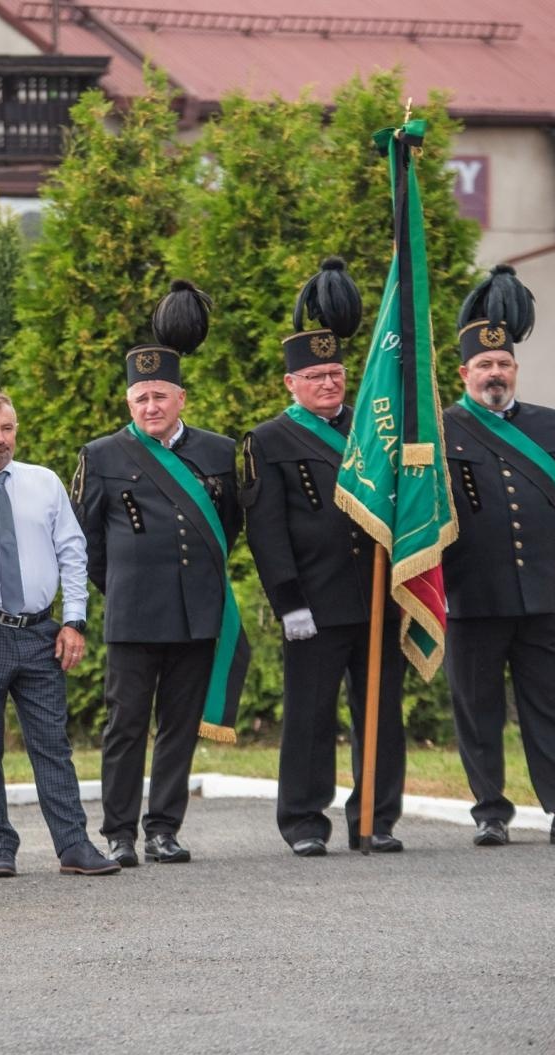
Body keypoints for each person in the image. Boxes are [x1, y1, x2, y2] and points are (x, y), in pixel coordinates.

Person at [442, 265, 555, 847]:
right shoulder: (440, 432)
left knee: (548, 706)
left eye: (504, 365)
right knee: (479, 709)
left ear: (515, 369)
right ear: (464, 372)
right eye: (484, 366)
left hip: (543, 593)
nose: (495, 373)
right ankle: (490, 811)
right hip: (471, 594)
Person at [74, 281, 245, 867]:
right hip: (133, 615)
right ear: (129, 402)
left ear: (182, 398)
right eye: (141, 396)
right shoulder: (101, 457)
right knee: (125, 728)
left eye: (161, 396)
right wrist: (118, 587)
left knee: (178, 727)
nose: (151, 406)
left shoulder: (220, 453)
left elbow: (228, 526)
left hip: (198, 613)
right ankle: (119, 832)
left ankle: (163, 829)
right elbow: (87, 540)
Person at [241, 257, 405, 857]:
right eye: (316, 377)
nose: (330, 384)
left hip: (378, 597)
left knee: (381, 715)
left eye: (336, 374)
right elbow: (267, 531)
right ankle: (305, 822)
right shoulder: (269, 440)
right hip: (314, 601)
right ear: (292, 383)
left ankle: (376, 819)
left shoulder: (373, 431)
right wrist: (289, 602)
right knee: (310, 718)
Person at [0, 391, 119, 878]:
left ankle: (74, 845)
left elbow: (72, 551)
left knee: (51, 743)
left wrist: (74, 621)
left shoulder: (45, 483)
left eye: (7, 429)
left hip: (41, 631)